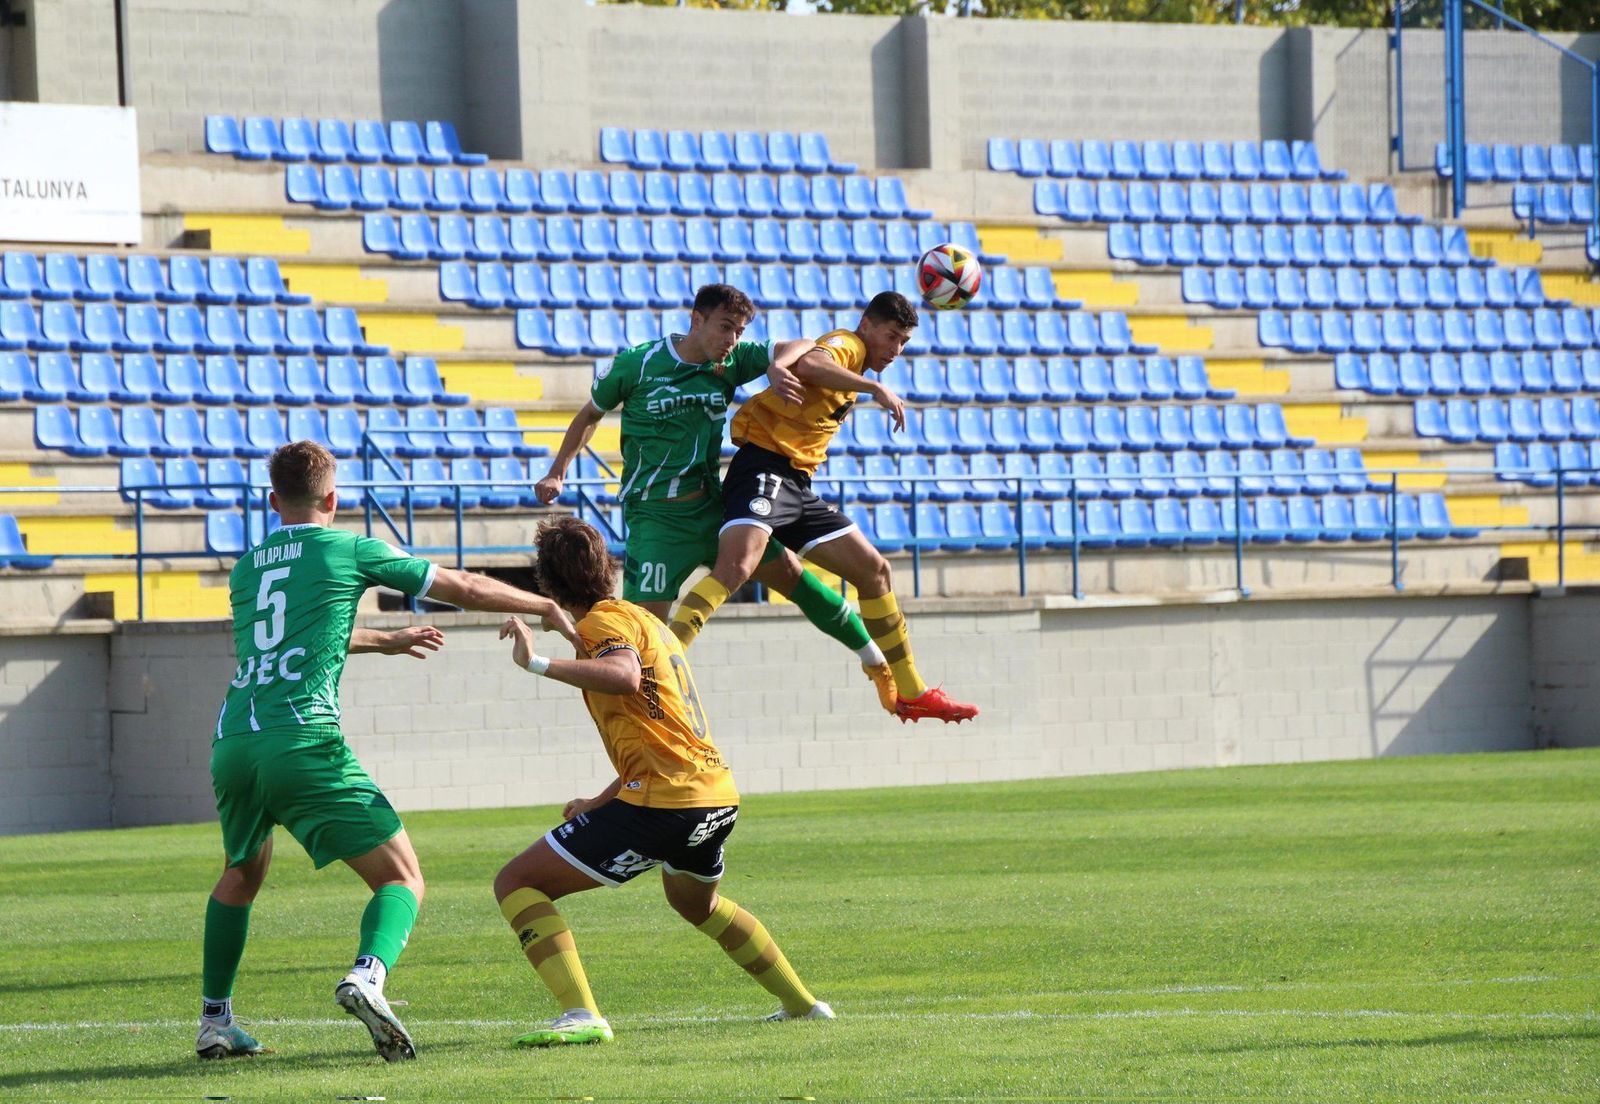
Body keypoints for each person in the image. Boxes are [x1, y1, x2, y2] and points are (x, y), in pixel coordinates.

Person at [197, 440, 578, 1063]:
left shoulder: (247, 570)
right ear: (333, 498)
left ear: (271, 501)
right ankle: (368, 977)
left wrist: (384, 641)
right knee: (402, 877)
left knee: (241, 875)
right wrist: (542, 603)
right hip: (302, 737)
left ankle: (215, 1022)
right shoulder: (348, 548)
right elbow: (459, 586)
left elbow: (297, 637)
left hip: (234, 740)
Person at [492, 515, 831, 1047]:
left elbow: (624, 676)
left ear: (548, 583)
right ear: (607, 569)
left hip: (665, 804)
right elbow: (657, 732)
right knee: (697, 904)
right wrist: (598, 801)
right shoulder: (643, 621)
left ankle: (582, 1014)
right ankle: (803, 1006)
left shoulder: (603, 625)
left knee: (516, 882)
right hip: (713, 795)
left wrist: (536, 661)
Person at [534, 283, 900, 714]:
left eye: (740, 331)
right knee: (642, 643)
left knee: (794, 576)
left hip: (712, 509)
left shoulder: (730, 361)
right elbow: (590, 414)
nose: (732, 339)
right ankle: (644, 732)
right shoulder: (638, 363)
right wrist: (557, 471)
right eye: (725, 327)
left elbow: (804, 345)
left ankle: (877, 664)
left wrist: (778, 365)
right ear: (697, 320)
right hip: (655, 522)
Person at [668, 292, 977, 725]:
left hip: (796, 483)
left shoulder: (857, 360)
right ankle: (664, 660)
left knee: (875, 571)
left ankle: (912, 692)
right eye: (891, 336)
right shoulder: (849, 345)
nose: (896, 349)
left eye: (904, 342)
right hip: (763, 467)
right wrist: (875, 387)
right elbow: (813, 362)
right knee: (736, 567)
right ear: (867, 325)